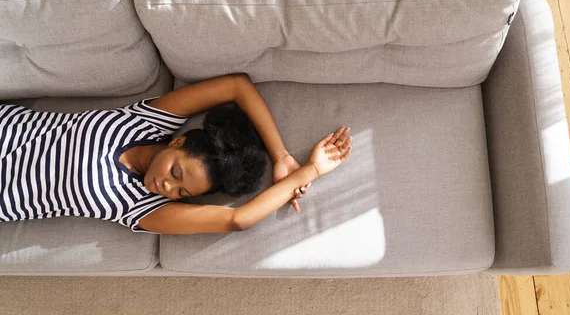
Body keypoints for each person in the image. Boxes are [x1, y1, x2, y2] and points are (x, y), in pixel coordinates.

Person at [0, 73, 352, 234]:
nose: (167, 188)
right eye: (176, 174)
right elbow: (236, 86)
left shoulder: (141, 207)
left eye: (182, 193)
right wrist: (280, 155)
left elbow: (237, 220)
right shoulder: (145, 121)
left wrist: (310, 171)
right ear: (177, 143)